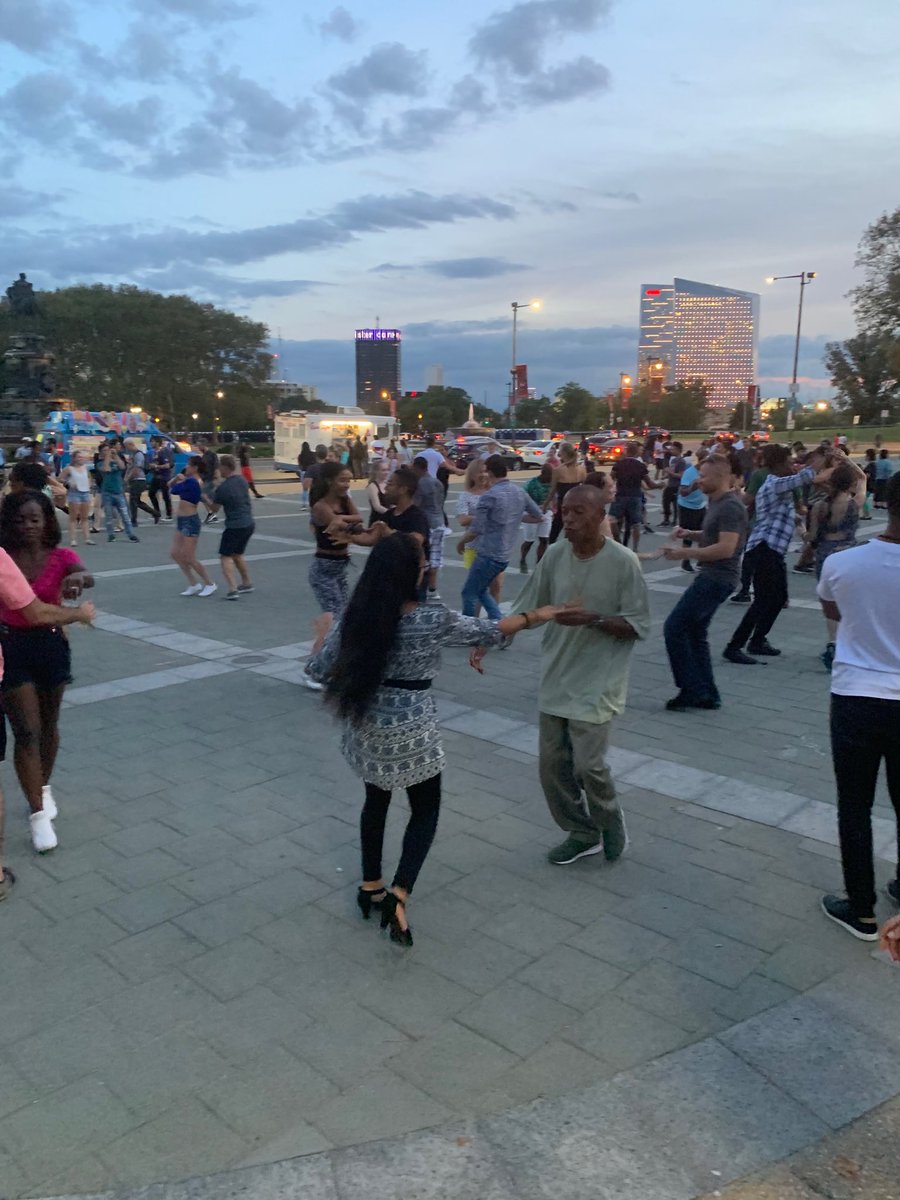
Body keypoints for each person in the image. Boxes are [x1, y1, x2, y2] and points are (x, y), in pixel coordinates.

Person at [306, 533, 563, 944]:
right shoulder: (432, 617)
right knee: (425, 810)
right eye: (423, 560)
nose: (427, 565)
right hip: (413, 729)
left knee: (376, 801)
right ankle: (400, 893)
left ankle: (370, 885)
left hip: (369, 726)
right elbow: (492, 630)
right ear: (413, 572)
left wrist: (324, 631)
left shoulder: (358, 614)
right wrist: (540, 614)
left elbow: (318, 670)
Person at [474, 485, 650, 865]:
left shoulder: (623, 562)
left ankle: (608, 818)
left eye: (578, 512)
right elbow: (527, 608)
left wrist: (597, 620)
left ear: (601, 515)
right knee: (552, 767)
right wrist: (489, 636)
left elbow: (639, 625)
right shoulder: (554, 555)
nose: (566, 518)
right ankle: (582, 832)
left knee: (589, 766)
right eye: (563, 511)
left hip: (599, 678)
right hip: (557, 674)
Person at [817, 473, 900, 942]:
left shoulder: (844, 563)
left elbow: (836, 614)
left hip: (857, 694)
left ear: (887, 504)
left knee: (855, 805)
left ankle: (862, 909)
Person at [0, 491, 96, 856]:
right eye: (20, 520)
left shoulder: (60, 556)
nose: (27, 526)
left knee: (48, 727)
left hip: (51, 646)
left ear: (47, 521)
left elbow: (84, 573)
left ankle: (42, 787)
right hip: (9, 647)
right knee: (26, 731)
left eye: (35, 519)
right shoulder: (3, 557)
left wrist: (78, 581)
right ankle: (39, 816)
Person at [723, 446, 825, 665]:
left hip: (772, 551)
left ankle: (757, 640)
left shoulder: (781, 487)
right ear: (777, 465)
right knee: (762, 600)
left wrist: (802, 531)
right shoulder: (774, 483)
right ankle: (734, 646)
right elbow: (807, 476)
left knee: (778, 599)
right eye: (788, 462)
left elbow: (789, 514)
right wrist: (821, 458)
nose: (792, 466)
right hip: (763, 549)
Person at [662, 455, 748, 711]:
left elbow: (725, 548)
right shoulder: (717, 503)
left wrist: (685, 553)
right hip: (713, 576)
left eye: (704, 476)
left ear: (721, 477)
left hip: (717, 578)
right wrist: (690, 534)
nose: (699, 480)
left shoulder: (731, 507)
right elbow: (713, 537)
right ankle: (707, 693)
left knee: (674, 629)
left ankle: (690, 690)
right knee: (696, 633)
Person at [459, 455, 543, 620]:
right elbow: (538, 516)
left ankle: (470, 629)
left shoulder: (490, 496)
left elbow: (476, 529)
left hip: (487, 553)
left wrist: (461, 543)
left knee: (468, 593)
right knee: (481, 590)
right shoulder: (519, 492)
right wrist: (515, 517)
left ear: (490, 472)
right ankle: (499, 627)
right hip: (504, 555)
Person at [807, 462, 859, 671]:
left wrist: (800, 528)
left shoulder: (820, 506)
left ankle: (833, 643)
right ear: (850, 484)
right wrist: (849, 462)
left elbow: (811, 537)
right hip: (848, 553)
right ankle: (848, 644)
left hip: (825, 555)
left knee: (829, 603)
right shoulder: (855, 503)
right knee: (847, 602)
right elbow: (863, 479)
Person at [207, 455, 255, 600]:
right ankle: (247, 583)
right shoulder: (242, 480)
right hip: (248, 522)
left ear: (225, 467)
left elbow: (214, 508)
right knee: (238, 554)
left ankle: (233, 589)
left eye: (219, 467)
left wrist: (204, 497)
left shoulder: (224, 487)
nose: (218, 470)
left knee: (225, 556)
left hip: (234, 525)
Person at [169, 456, 217, 597]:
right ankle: (193, 584)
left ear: (195, 468)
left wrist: (179, 480)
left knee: (189, 556)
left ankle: (209, 583)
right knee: (175, 553)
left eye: (189, 465)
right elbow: (172, 487)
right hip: (182, 519)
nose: (186, 467)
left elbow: (173, 490)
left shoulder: (192, 482)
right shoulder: (189, 481)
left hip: (190, 520)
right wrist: (177, 479)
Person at [412, 456, 448, 598]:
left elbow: (416, 504)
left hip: (428, 524)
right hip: (439, 522)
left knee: (425, 557)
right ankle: (433, 589)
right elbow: (441, 502)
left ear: (416, 467)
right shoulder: (437, 482)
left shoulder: (420, 483)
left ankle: (423, 587)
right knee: (436, 558)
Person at [543, 443, 585, 544]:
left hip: (564, 506)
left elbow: (552, 491)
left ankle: (553, 556)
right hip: (577, 507)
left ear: (564, 453)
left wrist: (544, 506)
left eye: (560, 451)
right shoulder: (581, 469)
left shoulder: (558, 470)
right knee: (572, 536)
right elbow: (584, 489)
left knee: (553, 535)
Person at [98, 442, 139, 543]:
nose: (108, 452)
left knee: (125, 515)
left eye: (108, 450)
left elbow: (122, 467)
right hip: (107, 492)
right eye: (105, 451)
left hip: (118, 491)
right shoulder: (99, 463)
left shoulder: (116, 461)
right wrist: (107, 456)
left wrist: (115, 455)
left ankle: (131, 534)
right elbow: (106, 469)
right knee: (109, 516)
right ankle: (111, 535)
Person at [676, 448, 708, 573]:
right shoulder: (690, 472)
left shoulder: (705, 472)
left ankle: (701, 559)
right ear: (701, 460)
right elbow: (683, 492)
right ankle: (685, 561)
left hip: (700, 505)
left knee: (705, 532)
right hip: (687, 506)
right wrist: (692, 487)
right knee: (688, 535)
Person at [519, 464, 553, 572]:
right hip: (530, 513)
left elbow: (554, 497)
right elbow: (522, 499)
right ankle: (523, 559)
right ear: (542, 474)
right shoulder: (531, 484)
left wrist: (550, 506)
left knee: (544, 539)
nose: (550, 478)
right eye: (549, 476)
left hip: (546, 512)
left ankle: (539, 564)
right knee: (530, 541)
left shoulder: (552, 484)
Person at [58, 450, 95, 548]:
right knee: (73, 517)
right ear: (74, 458)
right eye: (79, 457)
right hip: (74, 493)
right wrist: (68, 484)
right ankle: (73, 539)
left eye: (82, 457)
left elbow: (89, 477)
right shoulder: (69, 469)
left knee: (85, 517)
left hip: (85, 492)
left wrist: (90, 484)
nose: (81, 459)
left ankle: (87, 538)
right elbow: (60, 478)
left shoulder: (85, 468)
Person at [123, 439, 160, 527]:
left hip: (139, 479)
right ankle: (154, 513)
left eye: (126, 446)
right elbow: (130, 467)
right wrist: (126, 477)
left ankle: (134, 521)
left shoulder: (138, 454)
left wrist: (128, 478)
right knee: (136, 501)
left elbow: (137, 468)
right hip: (134, 479)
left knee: (133, 500)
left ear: (130, 444)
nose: (126, 448)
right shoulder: (132, 455)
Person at [147, 435, 174, 521]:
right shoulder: (153, 452)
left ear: (157, 442)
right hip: (156, 476)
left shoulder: (164, 451)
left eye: (153, 441)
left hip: (164, 477)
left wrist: (157, 466)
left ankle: (169, 515)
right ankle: (156, 512)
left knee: (165, 496)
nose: (151, 443)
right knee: (151, 493)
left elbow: (168, 465)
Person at [660, 441, 686, 527]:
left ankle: (675, 520)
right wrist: (665, 476)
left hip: (676, 485)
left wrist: (670, 473)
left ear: (678, 450)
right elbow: (671, 470)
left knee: (675, 504)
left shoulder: (681, 461)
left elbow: (681, 475)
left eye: (673, 449)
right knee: (665, 501)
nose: (671, 451)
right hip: (670, 484)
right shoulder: (674, 460)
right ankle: (666, 519)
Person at [198, 440, 220, 522]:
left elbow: (216, 466)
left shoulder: (212, 455)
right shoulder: (204, 456)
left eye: (199, 446)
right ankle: (211, 513)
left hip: (211, 479)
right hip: (205, 479)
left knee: (202, 495)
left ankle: (213, 513)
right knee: (204, 497)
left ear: (204, 445)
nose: (198, 448)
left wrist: (216, 478)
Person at [366, 458, 392, 527]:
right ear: (376, 471)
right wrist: (392, 514)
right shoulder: (372, 486)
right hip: (377, 521)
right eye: (383, 470)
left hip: (389, 520)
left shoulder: (389, 484)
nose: (386, 472)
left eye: (387, 470)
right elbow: (377, 506)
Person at [301, 444, 327, 510]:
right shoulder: (331, 466)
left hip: (316, 497)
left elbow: (306, 486)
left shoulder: (312, 468)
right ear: (326, 455)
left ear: (316, 455)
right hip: (329, 498)